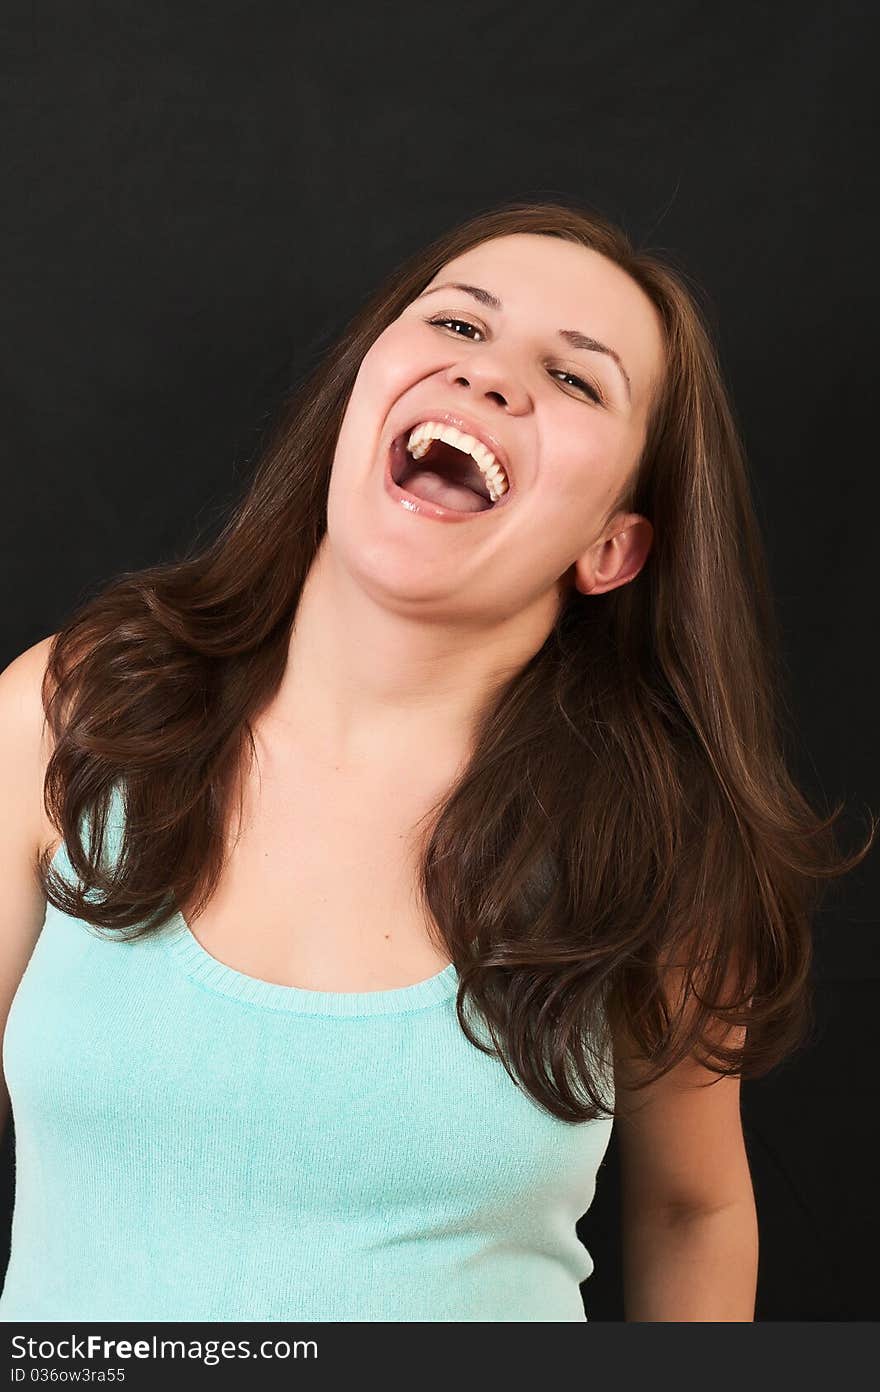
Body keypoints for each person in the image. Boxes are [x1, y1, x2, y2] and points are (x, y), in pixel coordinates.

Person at [0, 201, 872, 1323]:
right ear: (362, 393)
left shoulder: (658, 844)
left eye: (575, 379)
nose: (491, 379)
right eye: (460, 328)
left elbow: (692, 1213)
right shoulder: (66, 712)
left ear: (613, 547)